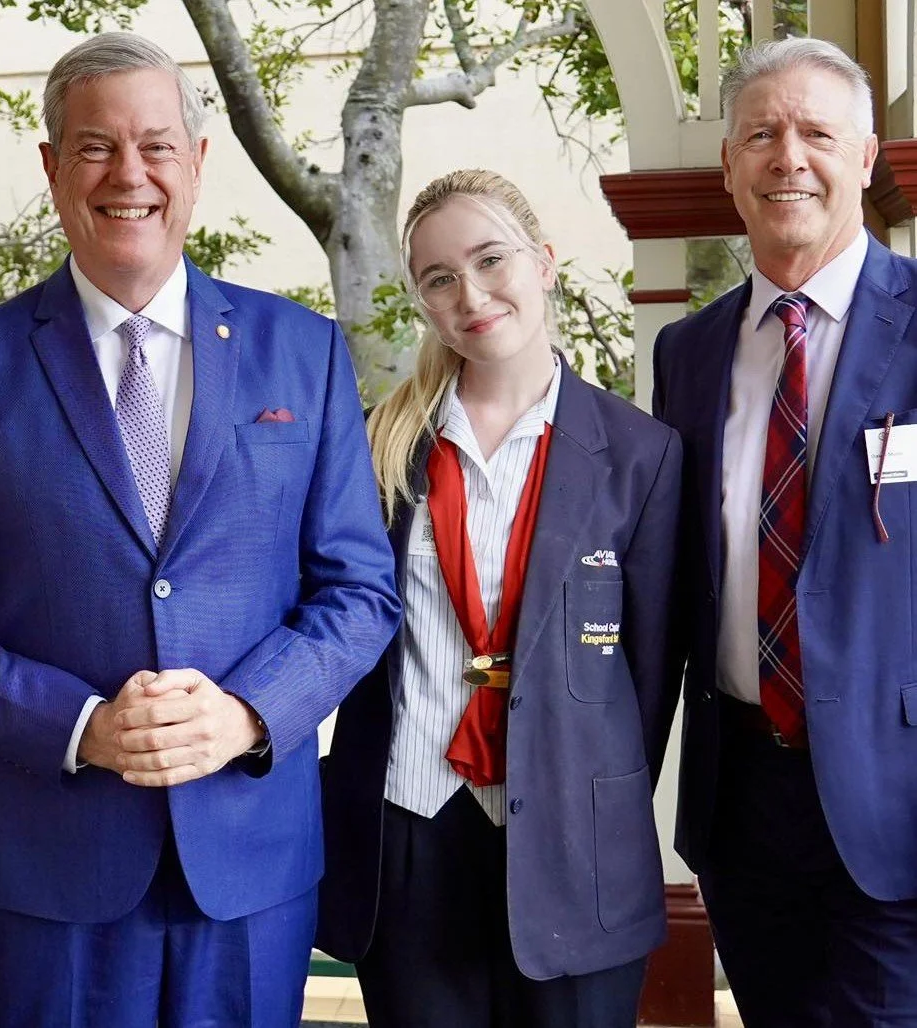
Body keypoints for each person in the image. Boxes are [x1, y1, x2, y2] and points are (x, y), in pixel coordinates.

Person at [0, 31, 401, 1028]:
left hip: (249, 851)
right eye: (96, 146)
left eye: (157, 145)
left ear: (197, 165)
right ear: (53, 168)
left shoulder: (303, 352)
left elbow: (361, 592)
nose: (129, 173)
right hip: (50, 855)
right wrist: (81, 725)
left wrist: (246, 711)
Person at [314, 169, 683, 1027]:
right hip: (407, 828)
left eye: (491, 260)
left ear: (545, 262)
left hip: (572, 840)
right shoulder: (376, 448)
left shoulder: (642, 454)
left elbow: (649, 674)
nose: (470, 294)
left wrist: (580, 777)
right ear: (421, 301)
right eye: (438, 278)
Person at [653, 37, 917, 1026]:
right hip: (743, 796)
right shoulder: (689, 352)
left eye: (815, 132)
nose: (786, 157)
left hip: (897, 798)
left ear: (865, 157)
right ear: (728, 166)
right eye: (760, 134)